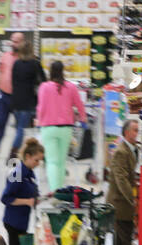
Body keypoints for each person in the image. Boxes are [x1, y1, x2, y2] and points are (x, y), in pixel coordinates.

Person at [36, 60, 88, 192]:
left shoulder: (44, 87)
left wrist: (39, 121)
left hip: (48, 128)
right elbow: (79, 105)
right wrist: (83, 119)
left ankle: (54, 191)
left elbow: (41, 107)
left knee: (52, 162)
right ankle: (59, 190)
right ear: (62, 71)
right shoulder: (71, 87)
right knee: (61, 162)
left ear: (50, 71)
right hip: (66, 128)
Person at [106, 119, 140, 245]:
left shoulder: (133, 150)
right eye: (134, 130)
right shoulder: (121, 151)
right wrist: (133, 200)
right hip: (120, 206)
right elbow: (121, 179)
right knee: (125, 244)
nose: (137, 133)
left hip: (124, 207)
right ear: (126, 132)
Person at [1, 138, 45, 245]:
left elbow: (29, 191)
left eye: (40, 161)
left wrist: (37, 198)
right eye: (36, 160)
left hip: (22, 221)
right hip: (13, 221)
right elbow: (5, 198)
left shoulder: (30, 173)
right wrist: (27, 202)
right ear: (27, 156)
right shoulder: (17, 173)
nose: (38, 163)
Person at [0, 32, 27, 159]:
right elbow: (1, 73)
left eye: (16, 41)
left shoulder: (25, 59)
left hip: (18, 98)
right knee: (0, 123)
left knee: (19, 128)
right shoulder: (5, 56)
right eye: (12, 41)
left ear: (23, 42)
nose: (13, 44)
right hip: (3, 96)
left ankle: (14, 153)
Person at [7, 39, 46, 159]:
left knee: (19, 128)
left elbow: (13, 81)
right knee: (23, 130)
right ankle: (13, 154)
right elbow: (44, 81)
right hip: (28, 101)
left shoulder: (16, 63)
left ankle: (25, 152)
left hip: (16, 100)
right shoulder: (35, 63)